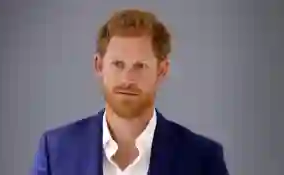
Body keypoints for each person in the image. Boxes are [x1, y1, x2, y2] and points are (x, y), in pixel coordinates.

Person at [32, 9, 229, 175]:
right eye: (118, 64)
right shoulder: (55, 151)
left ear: (162, 71)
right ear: (98, 66)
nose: (127, 79)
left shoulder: (203, 159)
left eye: (140, 66)